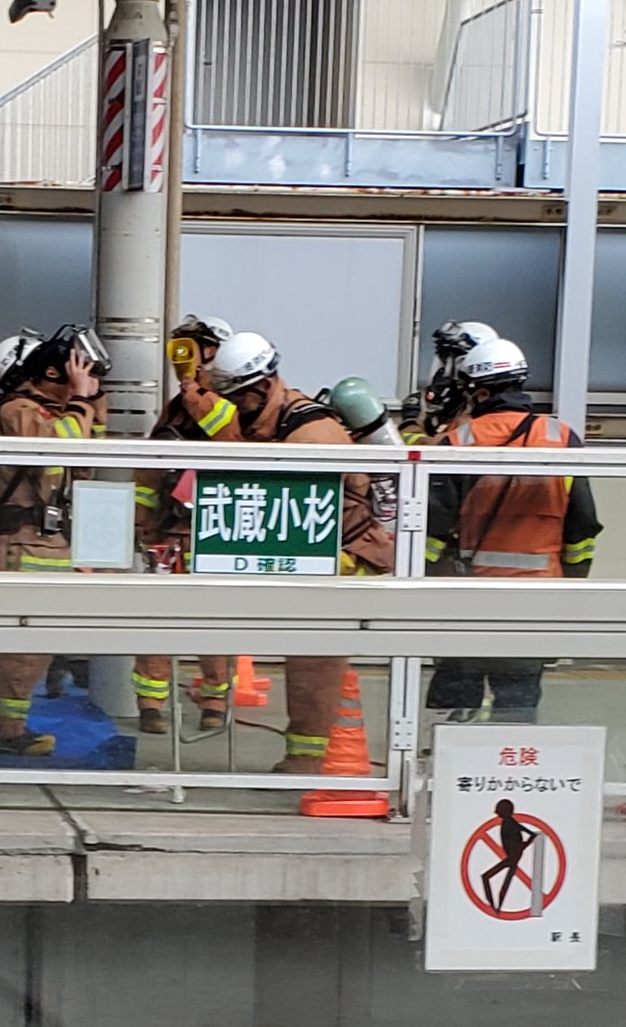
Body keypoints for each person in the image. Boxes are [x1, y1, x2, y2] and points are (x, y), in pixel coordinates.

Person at [197, 329, 396, 776]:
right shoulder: (268, 421)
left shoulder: (311, 437)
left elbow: (294, 513)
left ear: (264, 386)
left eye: (239, 398)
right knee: (304, 649)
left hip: (339, 558)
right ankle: (304, 752)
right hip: (309, 557)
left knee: (314, 656)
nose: (234, 407)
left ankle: (308, 757)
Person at [424, 336, 599, 725]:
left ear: (481, 391)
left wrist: (420, 583)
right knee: (517, 700)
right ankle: (509, 775)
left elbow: (433, 528)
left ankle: (445, 771)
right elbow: (582, 526)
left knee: (457, 694)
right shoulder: (562, 439)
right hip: (536, 597)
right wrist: (570, 583)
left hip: (468, 597)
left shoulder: (461, 441)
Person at [0, 325, 105, 757]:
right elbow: (55, 455)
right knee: (23, 646)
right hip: (23, 540)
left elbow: (88, 460)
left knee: (37, 645)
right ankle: (4, 730)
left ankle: (8, 724)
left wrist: (86, 404)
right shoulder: (18, 410)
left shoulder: (60, 411)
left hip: (47, 540)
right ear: (54, 374)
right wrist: (81, 399)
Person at [131, 314, 235, 736]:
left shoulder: (227, 399)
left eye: (192, 347)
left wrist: (195, 386)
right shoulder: (176, 407)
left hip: (212, 527)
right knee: (157, 619)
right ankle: (151, 704)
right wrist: (142, 521)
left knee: (213, 621)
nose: (183, 357)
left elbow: (227, 435)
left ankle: (215, 699)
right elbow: (152, 467)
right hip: (171, 529)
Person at [402, 318, 498, 439]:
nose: (443, 372)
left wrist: (411, 424)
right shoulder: (458, 402)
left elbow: (434, 449)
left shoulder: (481, 410)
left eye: (448, 363)